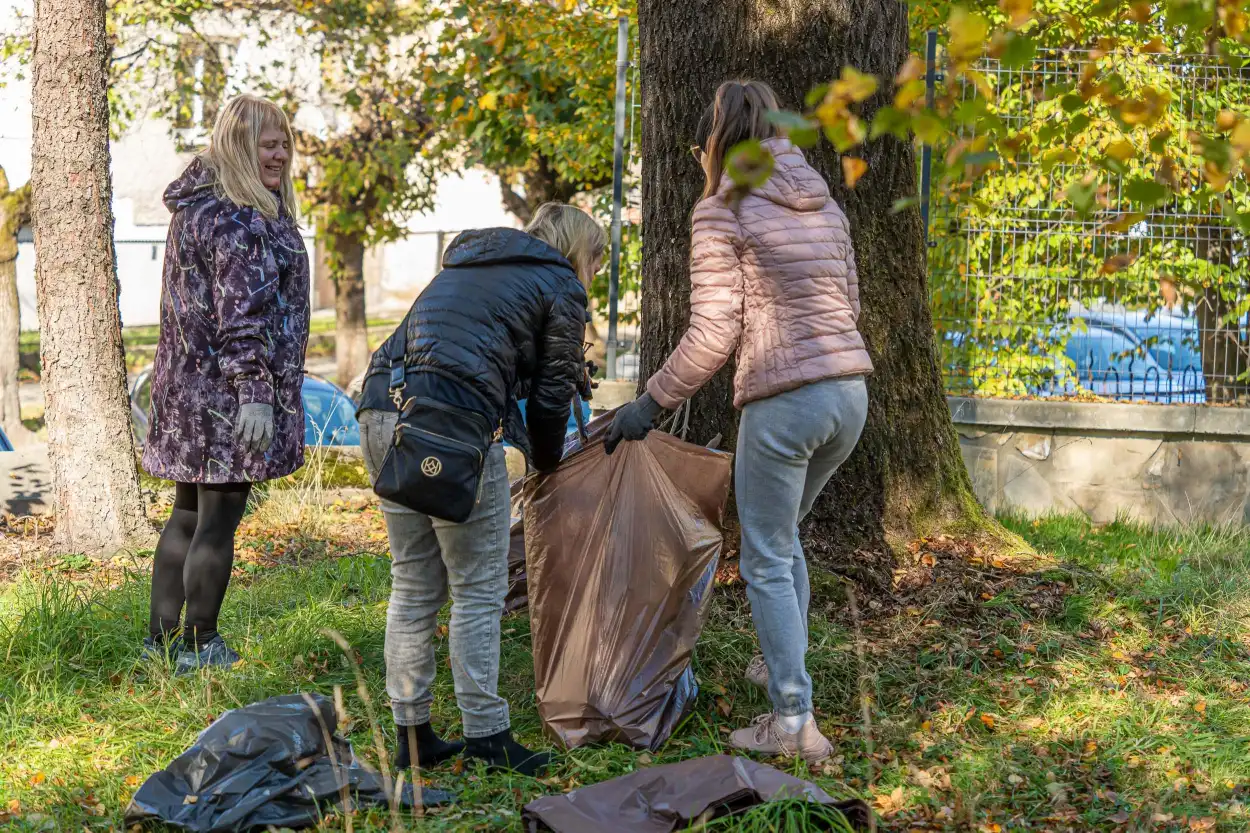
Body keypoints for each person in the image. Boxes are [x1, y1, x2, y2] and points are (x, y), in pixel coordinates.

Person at [605, 80, 872, 765]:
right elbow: (850, 304)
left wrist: (649, 404)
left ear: (716, 143)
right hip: (849, 396)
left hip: (785, 401)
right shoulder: (824, 203)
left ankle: (792, 718)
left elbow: (713, 331)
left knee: (763, 556)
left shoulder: (723, 208)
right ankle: (779, 664)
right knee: (783, 541)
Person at [357, 203, 604, 776]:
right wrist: (548, 464)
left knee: (414, 583)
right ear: (578, 254)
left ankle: (411, 734)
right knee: (478, 588)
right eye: (596, 260)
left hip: (380, 413)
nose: (593, 273)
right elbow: (547, 400)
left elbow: (477, 356)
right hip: (454, 428)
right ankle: (488, 736)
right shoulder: (561, 285)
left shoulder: (470, 266)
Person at [142, 95, 310, 674]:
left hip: (188, 392)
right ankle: (199, 643)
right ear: (240, 144)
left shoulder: (201, 207)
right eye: (269, 143)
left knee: (186, 513)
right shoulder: (240, 219)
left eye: (286, 143)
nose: (281, 154)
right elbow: (244, 318)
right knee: (217, 519)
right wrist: (256, 396)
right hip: (226, 400)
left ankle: (159, 640)